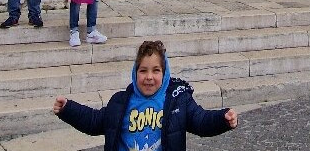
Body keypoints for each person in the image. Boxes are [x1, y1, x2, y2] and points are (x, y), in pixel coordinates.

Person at [53, 39, 237, 150]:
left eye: (156, 70)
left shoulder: (177, 101)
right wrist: (68, 109)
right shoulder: (120, 102)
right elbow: (94, 121)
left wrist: (223, 118)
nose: (149, 77)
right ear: (135, 73)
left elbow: (201, 121)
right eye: (143, 71)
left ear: (164, 74)